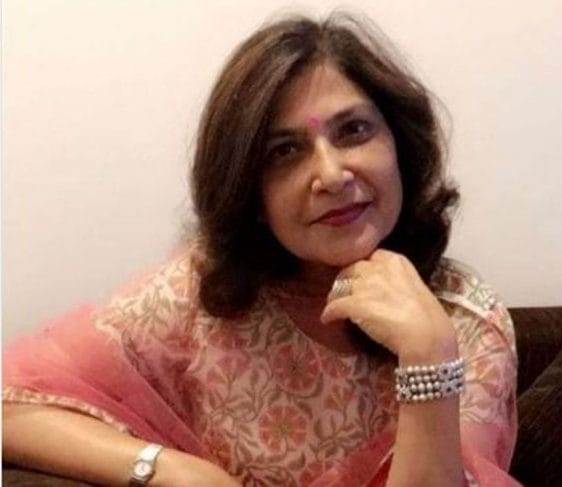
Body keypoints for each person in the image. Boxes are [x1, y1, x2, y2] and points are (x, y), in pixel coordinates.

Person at [3, 13, 519, 486]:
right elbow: (10, 405)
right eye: (285, 151)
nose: (332, 174)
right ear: (250, 194)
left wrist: (427, 358)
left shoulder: (464, 322)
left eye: (353, 130)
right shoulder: (199, 298)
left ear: (399, 147)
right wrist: (167, 468)